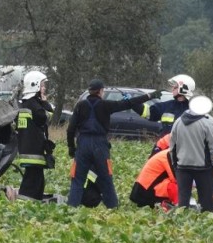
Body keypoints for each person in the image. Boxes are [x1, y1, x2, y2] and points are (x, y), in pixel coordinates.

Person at [66, 78, 161, 208]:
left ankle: (71, 208)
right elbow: (129, 103)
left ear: (90, 91)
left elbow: (70, 129)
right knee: (106, 178)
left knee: (77, 179)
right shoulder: (106, 105)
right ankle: (112, 207)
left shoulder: (80, 106)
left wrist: (71, 147)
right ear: (100, 91)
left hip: (83, 143)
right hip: (100, 144)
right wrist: (149, 96)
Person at [170, 95, 213, 212]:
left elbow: (172, 146)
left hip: (182, 165)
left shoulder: (177, 122)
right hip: (202, 167)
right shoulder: (207, 124)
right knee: (206, 198)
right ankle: (207, 222)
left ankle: (182, 221)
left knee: (183, 198)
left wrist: (175, 164)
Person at [15, 70, 55, 201]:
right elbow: (46, 117)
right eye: (43, 85)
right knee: (32, 182)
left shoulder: (24, 104)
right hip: (34, 151)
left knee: (36, 180)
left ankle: (32, 203)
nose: (44, 88)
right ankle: (25, 205)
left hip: (26, 149)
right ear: (35, 86)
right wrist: (45, 103)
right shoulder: (35, 105)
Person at [135, 74, 194, 155]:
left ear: (184, 89)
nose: (172, 89)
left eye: (176, 87)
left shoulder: (194, 109)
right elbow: (147, 112)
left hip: (184, 153)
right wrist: (132, 103)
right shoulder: (167, 106)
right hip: (163, 149)